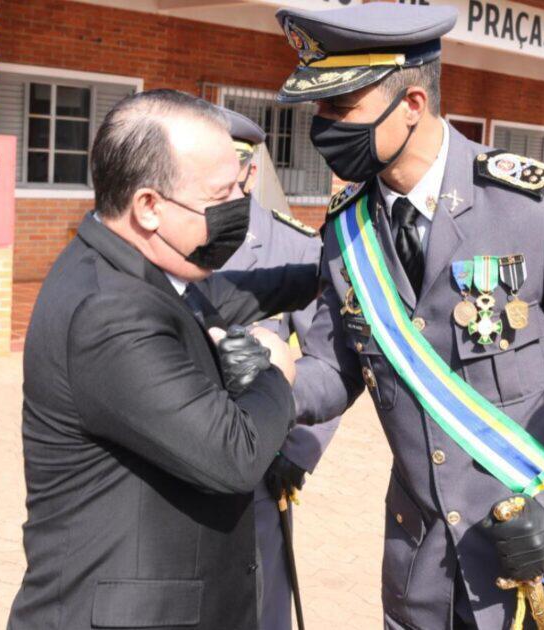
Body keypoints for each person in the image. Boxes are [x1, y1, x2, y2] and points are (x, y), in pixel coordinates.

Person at [275, 4, 544, 629]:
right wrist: (272, 383)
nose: (323, 128)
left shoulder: (538, 209)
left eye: (340, 108)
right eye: (320, 110)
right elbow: (337, 367)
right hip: (420, 571)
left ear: (412, 103)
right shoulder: (346, 229)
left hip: (532, 559)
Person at [8, 89, 318, 630]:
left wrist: (338, 270)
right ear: (149, 206)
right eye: (221, 195)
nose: (237, 209)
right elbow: (235, 454)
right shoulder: (107, 311)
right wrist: (275, 371)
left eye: (241, 188)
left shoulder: (136, 263)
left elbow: (239, 294)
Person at [206, 106, 341, 630]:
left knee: (260, 601)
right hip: (177, 448)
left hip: (261, 459)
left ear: (250, 171)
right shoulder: (170, 235)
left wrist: (300, 449)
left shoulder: (298, 247)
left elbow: (329, 358)